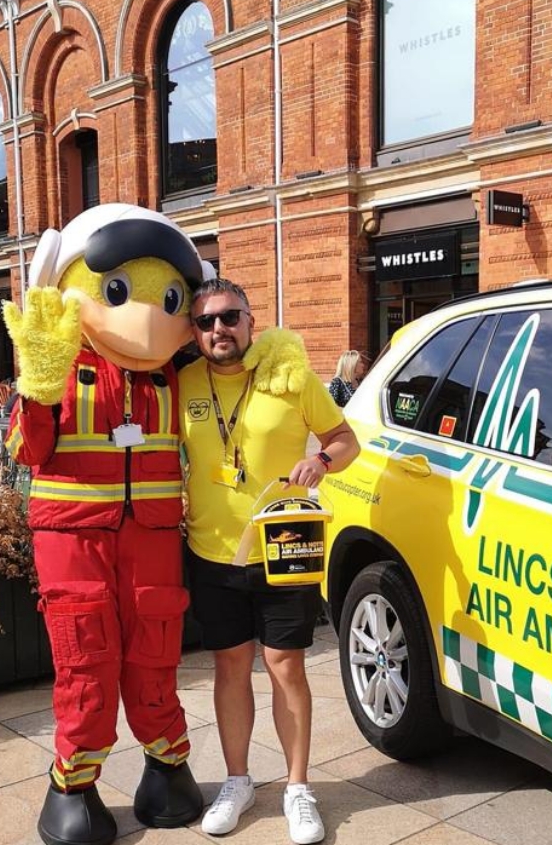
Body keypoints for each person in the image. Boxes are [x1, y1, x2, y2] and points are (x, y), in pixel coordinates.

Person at [4, 204, 208, 845]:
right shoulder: (57, 368)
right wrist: (37, 385)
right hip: (73, 536)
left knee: (155, 660)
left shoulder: (179, 379)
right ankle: (73, 784)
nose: (146, 316)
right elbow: (23, 450)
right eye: (117, 291)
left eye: (169, 297)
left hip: (150, 537)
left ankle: (167, 767)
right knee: (85, 662)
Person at [179, 278, 360, 844]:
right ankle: (238, 781)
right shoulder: (182, 382)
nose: (219, 330)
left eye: (230, 317)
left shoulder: (291, 377)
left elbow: (346, 437)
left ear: (251, 321)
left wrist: (323, 462)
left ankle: (299, 788)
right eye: (206, 321)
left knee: (286, 667)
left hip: (284, 549)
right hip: (211, 552)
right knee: (231, 668)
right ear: (195, 332)